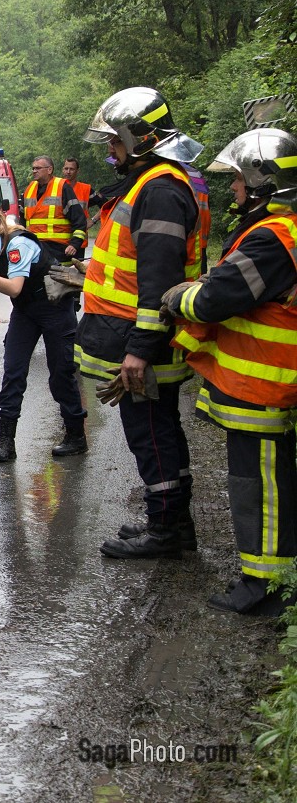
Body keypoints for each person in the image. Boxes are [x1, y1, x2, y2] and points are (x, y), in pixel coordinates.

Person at [165, 128, 297, 614]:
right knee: (266, 480)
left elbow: (217, 297)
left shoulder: (271, 239)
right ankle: (273, 577)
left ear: (264, 182)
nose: (234, 189)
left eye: (240, 179)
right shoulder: (284, 231)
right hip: (267, 381)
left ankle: (266, 587)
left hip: (261, 383)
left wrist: (178, 295)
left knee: (258, 484)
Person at [75, 86, 209, 559]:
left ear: (143, 140)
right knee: (159, 430)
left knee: (151, 435)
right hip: (144, 335)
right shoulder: (158, 183)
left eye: (115, 142)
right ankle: (172, 523)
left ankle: (167, 531)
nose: (110, 152)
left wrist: (139, 349)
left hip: (144, 341)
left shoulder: (160, 190)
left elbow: (159, 280)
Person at [0, 207, 88, 462]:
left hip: (54, 307)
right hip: (26, 311)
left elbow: (14, 288)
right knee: (13, 371)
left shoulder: (18, 244)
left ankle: (76, 436)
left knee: (61, 372)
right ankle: (5, 442)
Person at [21, 155, 88, 261]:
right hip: (34, 248)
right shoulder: (29, 189)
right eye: (33, 168)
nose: (34, 171)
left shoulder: (63, 187)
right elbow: (22, 221)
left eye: (38, 168)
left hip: (58, 250)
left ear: (49, 169)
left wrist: (74, 244)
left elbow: (79, 220)